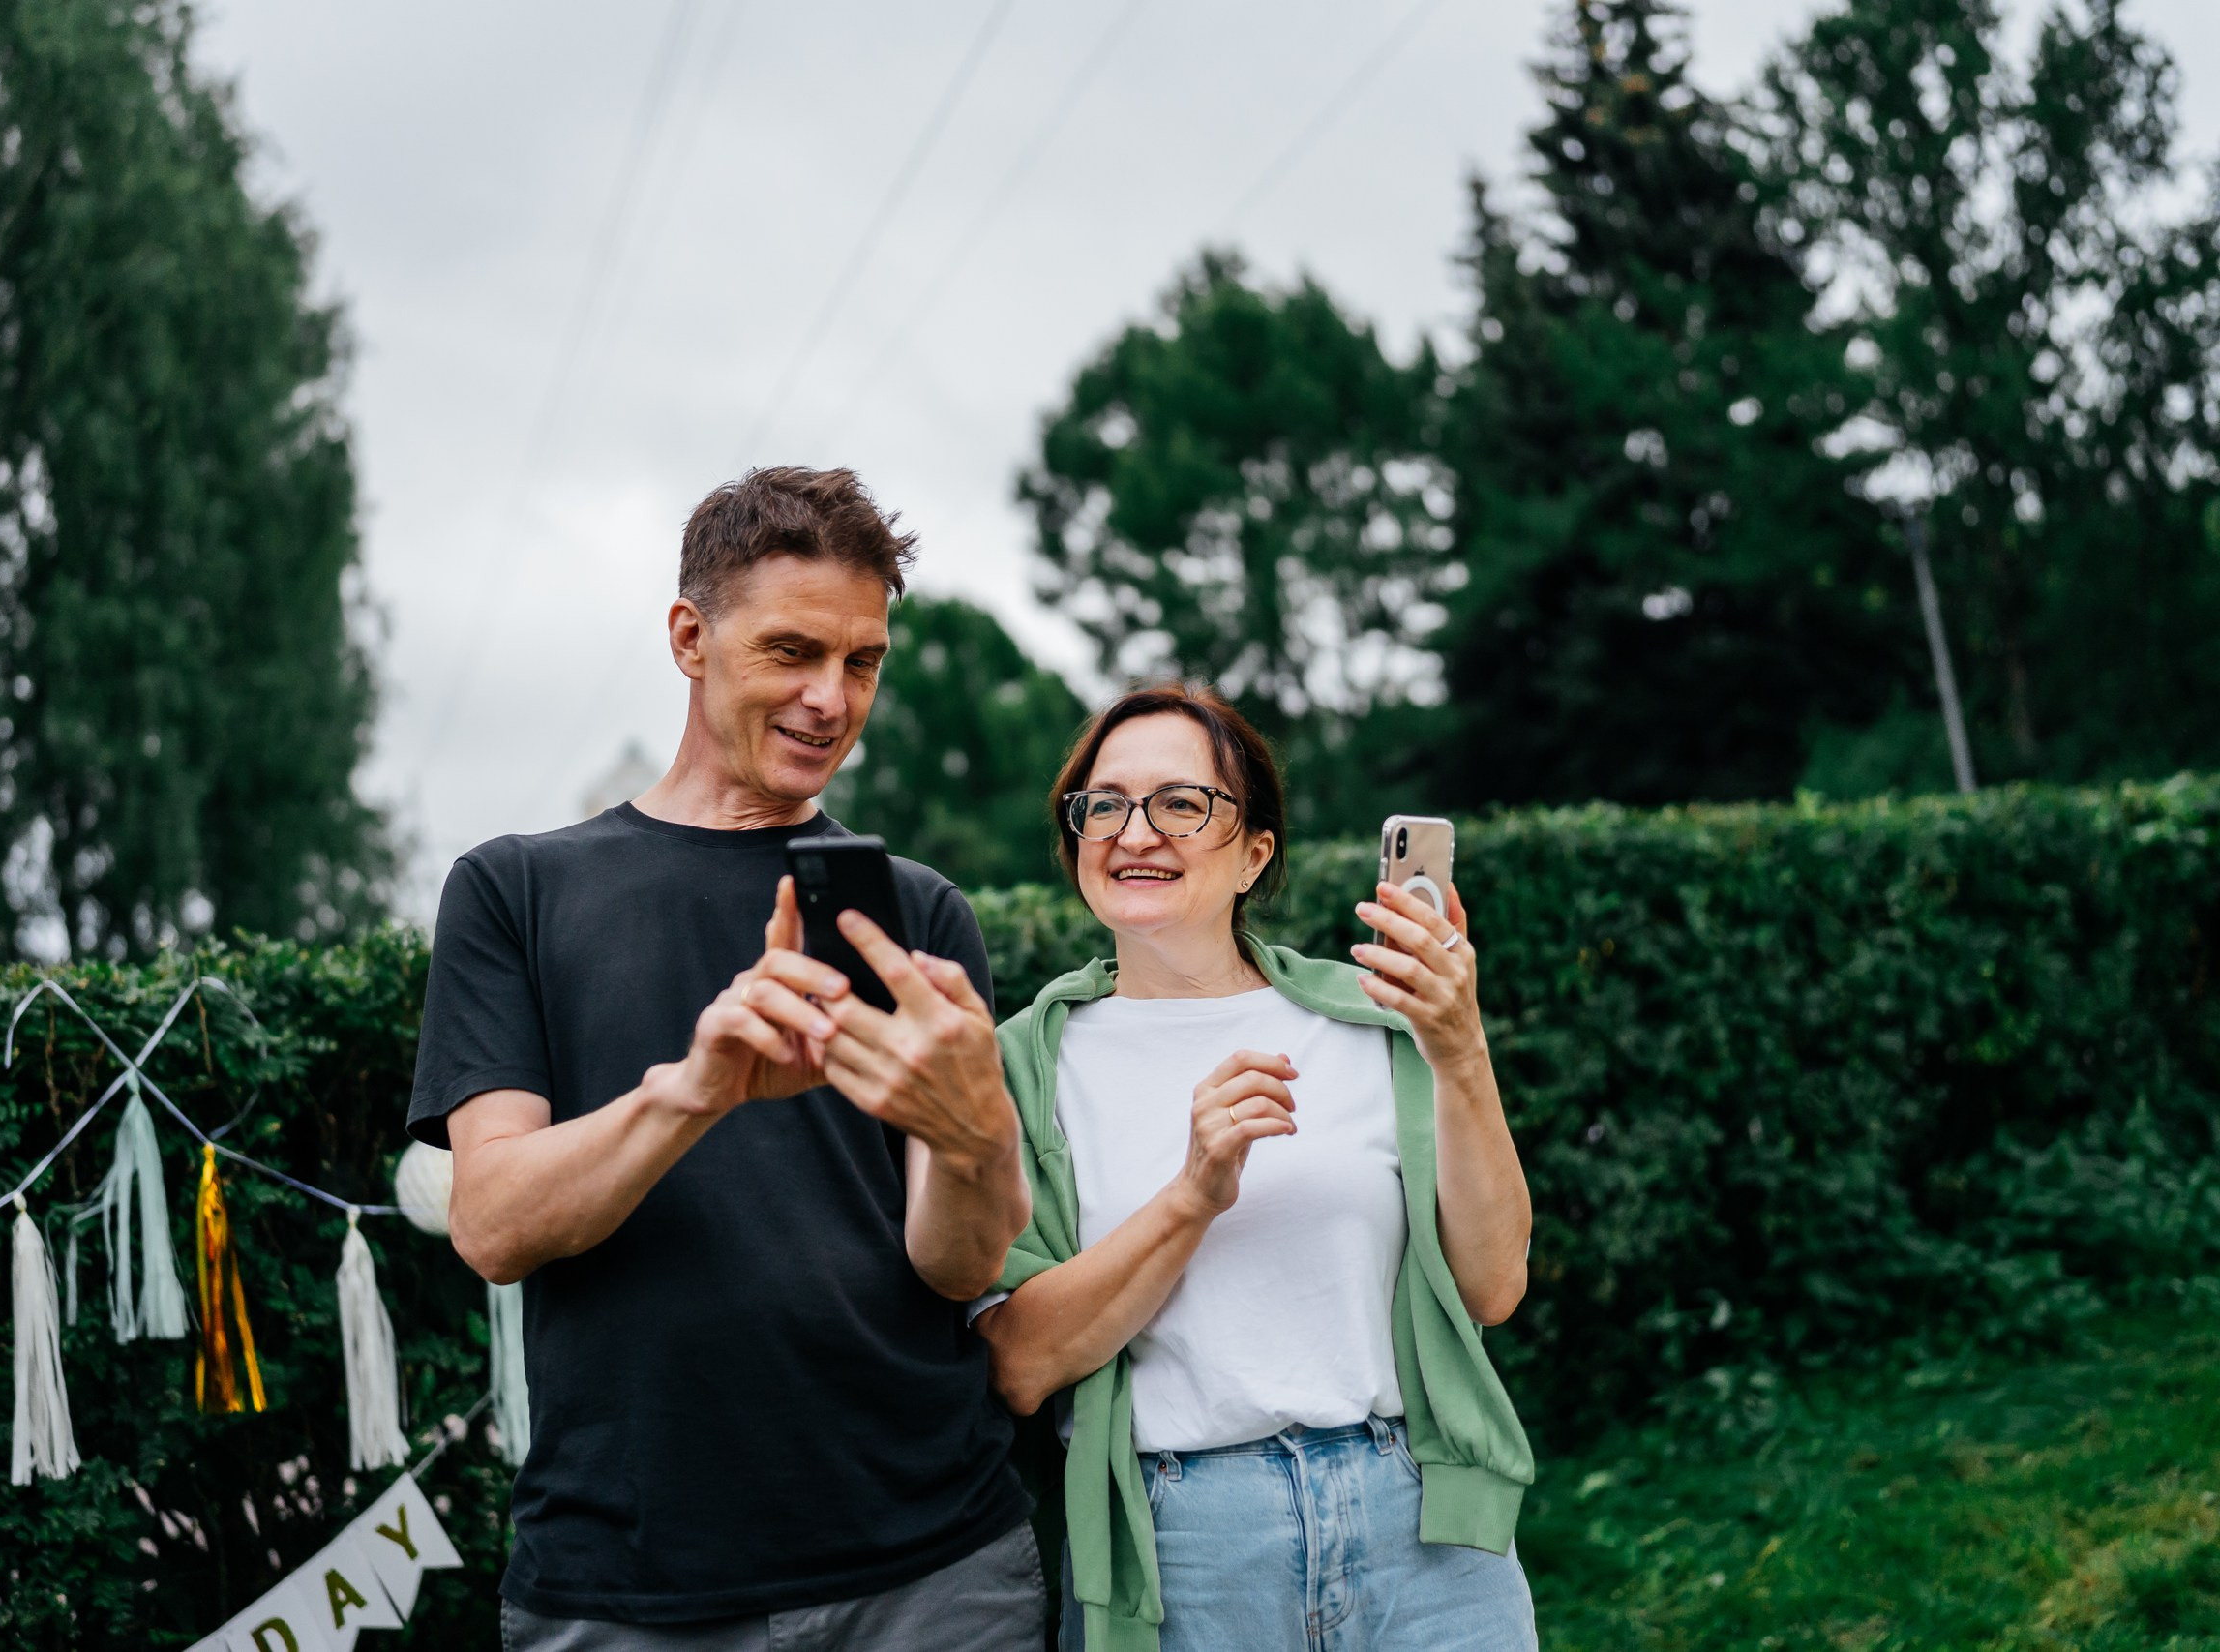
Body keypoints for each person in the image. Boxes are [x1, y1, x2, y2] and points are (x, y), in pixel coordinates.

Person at [408, 467, 1044, 1650]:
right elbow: (492, 1226)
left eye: (862, 662)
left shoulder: (919, 914)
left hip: (933, 1570)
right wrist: (694, 1091)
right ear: (689, 639)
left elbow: (957, 1267)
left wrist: (976, 1141)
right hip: (629, 1585)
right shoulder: (515, 891)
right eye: (791, 651)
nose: (829, 699)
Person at [975, 685, 1540, 1652]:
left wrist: (1460, 1046)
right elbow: (1021, 1365)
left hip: (1420, 1529)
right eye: (1103, 805)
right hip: (1184, 1546)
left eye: (1179, 803)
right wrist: (1192, 1196)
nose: (1134, 833)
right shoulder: (1020, 1067)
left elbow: (1492, 1286)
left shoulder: (1371, 1020)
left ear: (1254, 854)